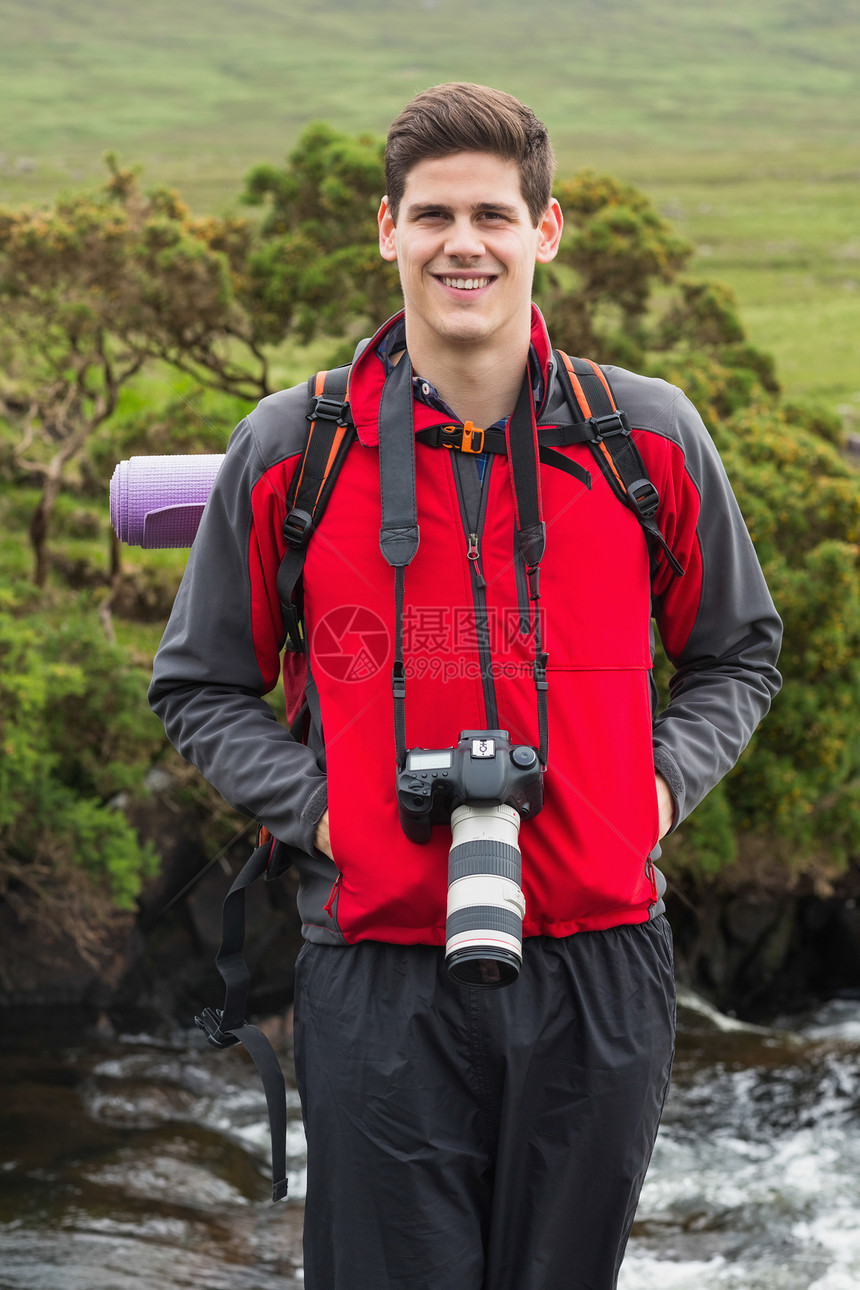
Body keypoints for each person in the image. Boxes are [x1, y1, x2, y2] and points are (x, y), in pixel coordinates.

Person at [149, 83, 782, 1290]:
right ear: (386, 229)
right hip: (378, 959)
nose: (462, 243)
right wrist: (331, 814)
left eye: (492, 214)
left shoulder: (640, 438)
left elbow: (735, 653)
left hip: (600, 959)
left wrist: (645, 797)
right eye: (431, 214)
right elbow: (199, 685)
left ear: (542, 233)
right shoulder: (295, 448)